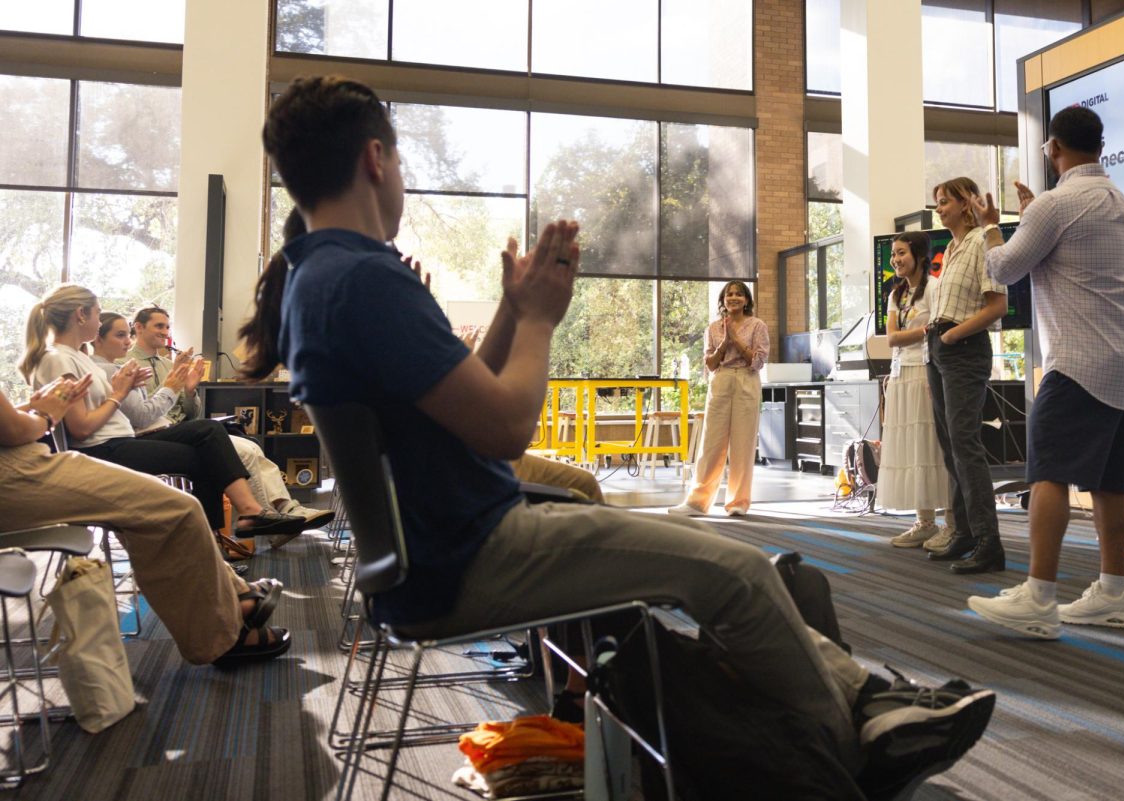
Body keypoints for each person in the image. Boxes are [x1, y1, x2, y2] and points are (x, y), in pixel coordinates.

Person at [244, 75, 997, 796]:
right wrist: (540, 320)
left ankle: (866, 699)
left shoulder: (322, 279)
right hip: (469, 553)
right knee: (737, 575)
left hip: (433, 551)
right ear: (377, 158)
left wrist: (510, 311)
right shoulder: (365, 280)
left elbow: (459, 401)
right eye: (399, 159)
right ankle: (855, 748)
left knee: (734, 572)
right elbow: (505, 428)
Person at [966, 106, 1124, 639]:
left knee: (1048, 474)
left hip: (1078, 364)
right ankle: (1115, 593)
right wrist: (1032, 218)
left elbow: (1004, 267)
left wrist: (993, 228)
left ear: (1053, 149)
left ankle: (1038, 598)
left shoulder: (1057, 201)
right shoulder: (1121, 204)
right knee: (1112, 486)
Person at [0, 379, 290, 667]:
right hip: (18, 468)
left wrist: (34, 408)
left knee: (194, 471)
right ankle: (221, 638)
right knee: (178, 507)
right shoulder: (62, 360)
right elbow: (16, 430)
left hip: (28, 459)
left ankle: (235, 597)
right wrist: (46, 413)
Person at [18, 283, 306, 542]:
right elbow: (80, 429)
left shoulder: (78, 357)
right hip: (102, 449)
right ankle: (227, 533)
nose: (99, 318)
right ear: (81, 315)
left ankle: (245, 516)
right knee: (208, 457)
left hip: (121, 440)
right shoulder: (58, 359)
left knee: (209, 430)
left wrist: (129, 388)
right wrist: (118, 394)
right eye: (97, 312)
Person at [124, 306, 334, 545]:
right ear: (139, 327)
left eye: (167, 326)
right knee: (244, 451)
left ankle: (286, 510)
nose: (165, 332)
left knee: (252, 447)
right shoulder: (126, 363)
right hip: (156, 435)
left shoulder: (166, 364)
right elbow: (141, 414)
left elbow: (192, 414)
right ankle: (268, 519)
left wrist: (191, 390)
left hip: (185, 431)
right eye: (158, 326)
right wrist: (171, 385)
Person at [923, 176, 1009, 574]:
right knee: (950, 445)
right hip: (939, 349)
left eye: (944, 201)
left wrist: (953, 333)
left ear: (965, 203)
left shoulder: (980, 243)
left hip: (964, 349)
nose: (938, 208)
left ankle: (990, 542)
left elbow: (997, 306)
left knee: (964, 443)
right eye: (937, 202)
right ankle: (965, 534)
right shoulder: (952, 248)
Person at [875, 232, 956, 548]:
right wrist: (924, 330)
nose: (895, 260)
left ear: (919, 255)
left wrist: (922, 333)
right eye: (893, 254)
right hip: (901, 375)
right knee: (913, 447)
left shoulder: (935, 289)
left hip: (927, 373)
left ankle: (951, 523)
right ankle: (925, 522)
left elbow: (939, 333)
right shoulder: (896, 295)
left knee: (934, 447)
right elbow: (892, 338)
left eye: (901, 253)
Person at [669, 280, 768, 517]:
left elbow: (758, 361)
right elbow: (711, 364)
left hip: (747, 379)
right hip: (721, 380)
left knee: (743, 444)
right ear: (723, 301)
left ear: (746, 300)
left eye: (738, 294)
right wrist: (724, 342)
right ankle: (697, 503)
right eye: (729, 294)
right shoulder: (713, 328)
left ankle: (738, 503)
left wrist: (735, 338)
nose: (733, 298)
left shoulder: (757, 325)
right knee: (711, 443)